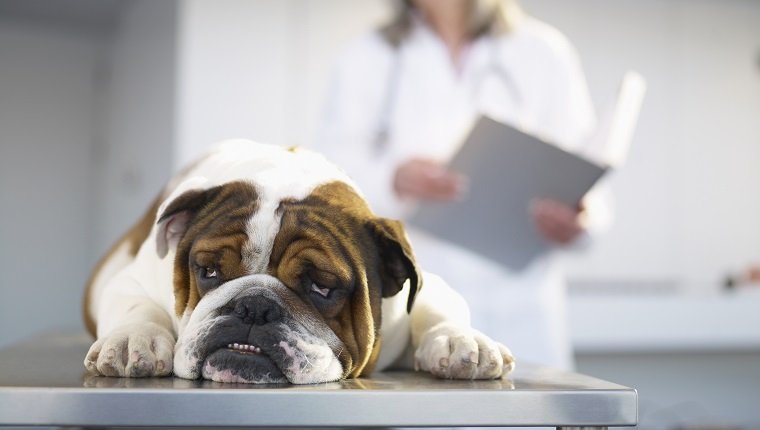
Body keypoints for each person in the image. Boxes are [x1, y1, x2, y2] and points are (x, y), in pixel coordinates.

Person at [314, 0, 610, 370]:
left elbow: (587, 184)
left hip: (523, 302)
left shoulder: (543, 51)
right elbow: (331, 179)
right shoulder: (368, 55)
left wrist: (578, 222)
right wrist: (394, 178)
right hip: (420, 299)